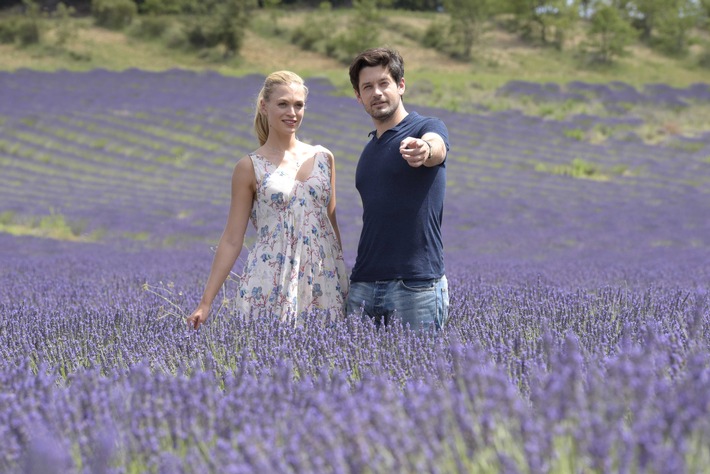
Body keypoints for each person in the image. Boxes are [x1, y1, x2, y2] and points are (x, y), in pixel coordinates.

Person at [187, 71, 348, 329]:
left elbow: (331, 225)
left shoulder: (324, 158)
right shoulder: (249, 166)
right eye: (283, 104)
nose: (292, 113)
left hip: (321, 279)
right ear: (264, 106)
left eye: (298, 105)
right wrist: (206, 302)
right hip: (269, 281)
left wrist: (342, 278)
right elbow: (231, 239)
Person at [345, 47, 450, 332]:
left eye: (384, 83)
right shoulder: (368, 151)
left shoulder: (425, 127)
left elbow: (436, 147)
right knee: (356, 374)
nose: (376, 93)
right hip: (364, 284)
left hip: (415, 285)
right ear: (359, 96)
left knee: (419, 372)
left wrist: (425, 149)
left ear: (401, 85)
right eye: (367, 87)